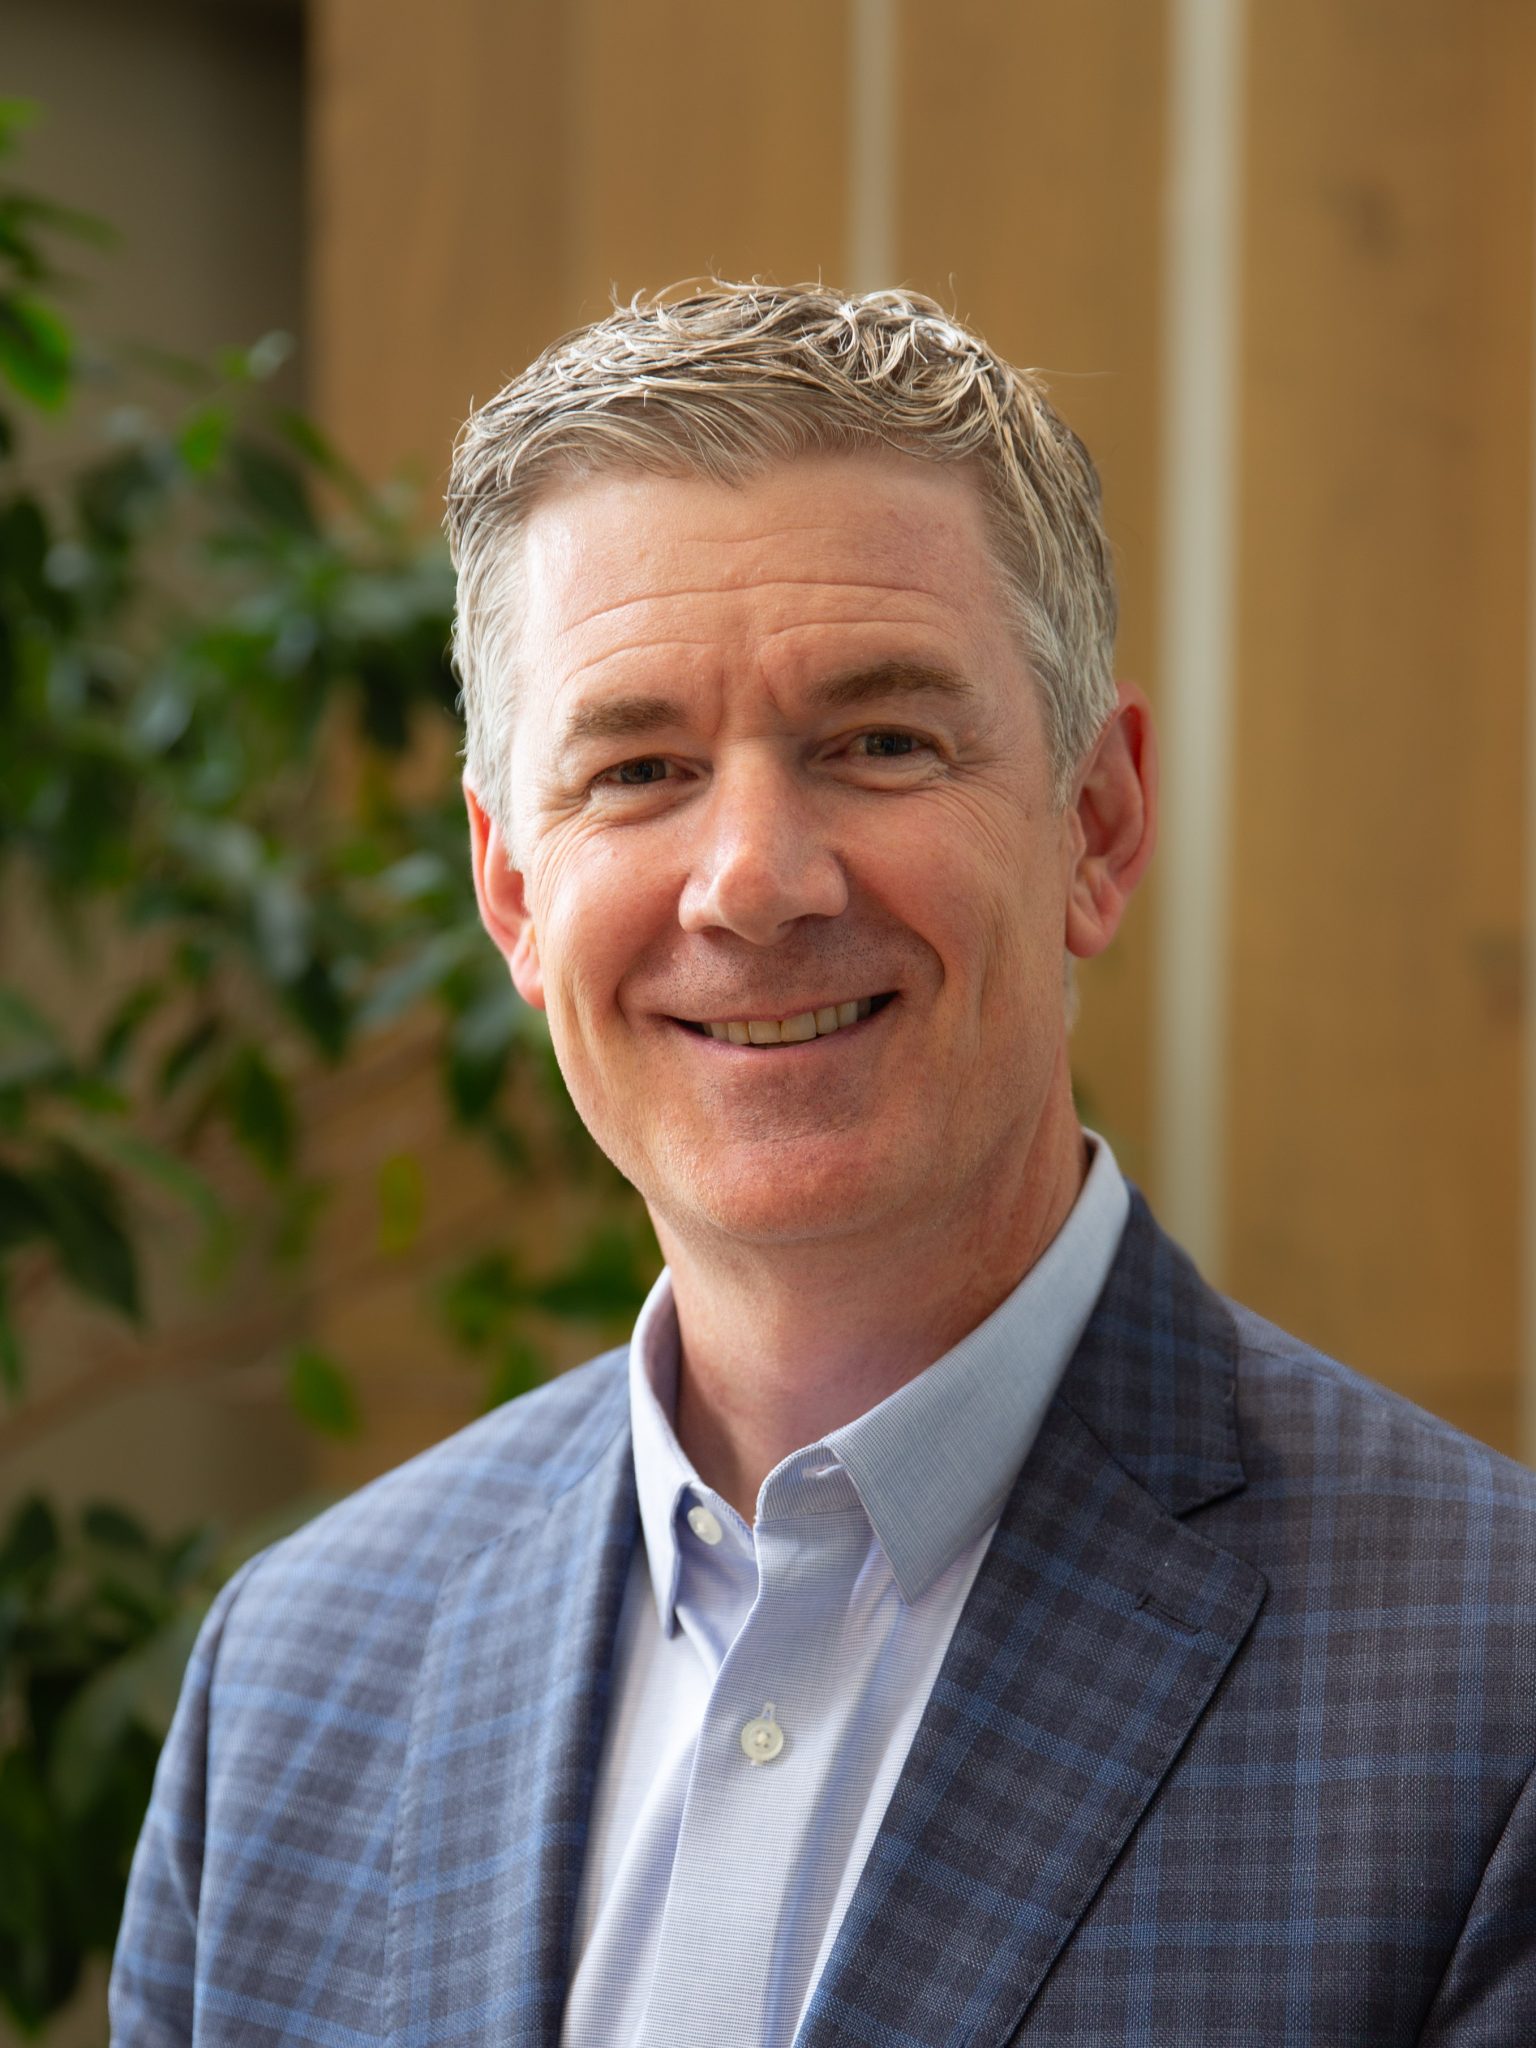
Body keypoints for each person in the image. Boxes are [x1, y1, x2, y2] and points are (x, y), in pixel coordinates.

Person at [111, 283, 1536, 2047]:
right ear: (512, 894)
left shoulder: (1492, 1691)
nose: (755, 882)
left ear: (1096, 825)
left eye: (880, 744)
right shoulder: (291, 1680)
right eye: (639, 768)